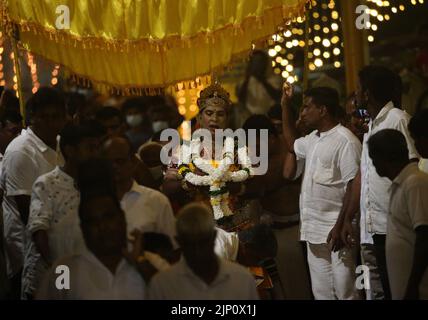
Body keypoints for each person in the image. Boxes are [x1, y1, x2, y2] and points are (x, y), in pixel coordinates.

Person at [335, 66, 420, 300]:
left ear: (368, 94)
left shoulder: (398, 120)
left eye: (359, 89)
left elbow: (412, 169)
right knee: (376, 294)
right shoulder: (372, 124)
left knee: (397, 291)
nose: (355, 93)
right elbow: (363, 175)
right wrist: (350, 218)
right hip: (369, 228)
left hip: (392, 226)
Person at [282, 85, 361, 300]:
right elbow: (291, 144)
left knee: (347, 292)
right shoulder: (313, 139)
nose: (303, 113)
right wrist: (285, 105)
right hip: (313, 230)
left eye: (307, 107)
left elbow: (353, 185)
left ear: (323, 110)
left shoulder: (345, 140)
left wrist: (341, 224)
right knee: (322, 294)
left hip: (338, 231)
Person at [22, 122, 104, 298]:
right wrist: (61, 276)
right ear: (70, 150)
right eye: (90, 148)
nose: (96, 153)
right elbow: (39, 231)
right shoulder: (47, 184)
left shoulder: (96, 182)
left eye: (98, 147)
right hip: (53, 275)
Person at [1, 87, 66, 299]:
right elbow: (28, 212)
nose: (51, 123)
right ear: (32, 118)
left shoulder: (58, 144)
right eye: (44, 117)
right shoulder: (21, 151)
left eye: (56, 117)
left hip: (57, 244)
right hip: (28, 250)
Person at [36, 190, 145, 299]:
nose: (102, 227)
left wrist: (140, 264)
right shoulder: (65, 271)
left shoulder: (146, 266)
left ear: (122, 219)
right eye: (93, 222)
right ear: (83, 229)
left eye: (108, 217)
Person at [147, 203, 259, 300]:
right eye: (190, 244)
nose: (197, 251)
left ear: (214, 237)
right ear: (179, 242)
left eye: (203, 243)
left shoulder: (243, 278)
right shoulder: (161, 284)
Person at [368, 129, 428, 299]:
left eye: (374, 159)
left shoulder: (415, 183)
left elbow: (424, 236)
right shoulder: (400, 184)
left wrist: (413, 286)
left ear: (384, 159)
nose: (374, 164)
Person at [102, 136, 176, 245]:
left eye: (120, 161)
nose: (114, 167)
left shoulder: (157, 201)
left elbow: (173, 249)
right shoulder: (95, 203)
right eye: (109, 162)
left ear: (133, 162)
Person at [237, 50, 282, 115]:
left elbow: (276, 96)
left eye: (260, 62)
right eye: (255, 61)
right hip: (249, 117)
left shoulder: (275, 80)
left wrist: (262, 80)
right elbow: (241, 99)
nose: (257, 65)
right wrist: (247, 77)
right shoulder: (245, 82)